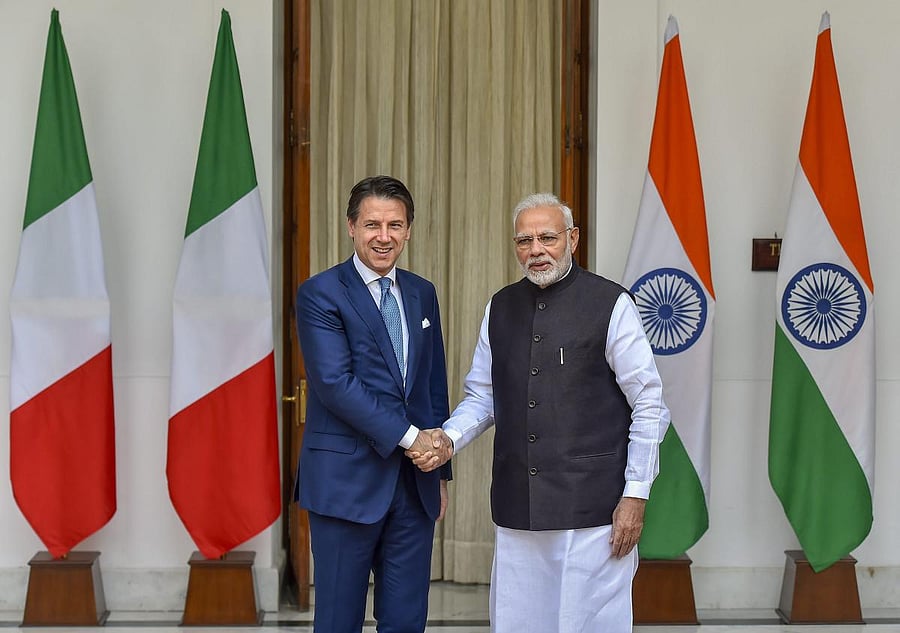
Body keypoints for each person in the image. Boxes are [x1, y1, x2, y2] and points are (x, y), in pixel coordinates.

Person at [410, 193, 670, 633]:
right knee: (518, 622)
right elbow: (483, 396)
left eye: (548, 238)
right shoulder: (500, 307)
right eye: (524, 240)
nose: (536, 250)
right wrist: (449, 439)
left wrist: (636, 494)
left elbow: (649, 405)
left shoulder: (611, 304)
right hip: (518, 507)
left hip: (593, 511)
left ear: (572, 239)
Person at [294, 175, 453, 633]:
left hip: (415, 487)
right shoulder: (320, 293)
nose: (384, 237)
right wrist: (412, 439)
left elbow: (432, 385)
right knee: (338, 622)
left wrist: (440, 470)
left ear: (409, 230)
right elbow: (335, 384)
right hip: (345, 485)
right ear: (351, 227)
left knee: (406, 621)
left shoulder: (422, 292)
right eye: (372, 225)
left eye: (395, 225)